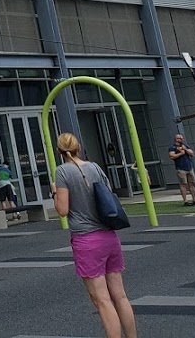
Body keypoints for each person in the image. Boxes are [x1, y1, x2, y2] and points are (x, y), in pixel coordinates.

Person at [52, 132, 137, 338]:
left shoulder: (62, 172)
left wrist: (55, 192)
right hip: (109, 236)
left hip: (86, 239)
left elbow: (62, 210)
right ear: (79, 147)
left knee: (102, 300)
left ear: (59, 151)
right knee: (120, 296)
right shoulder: (95, 167)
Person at [168, 134, 195, 206]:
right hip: (181, 168)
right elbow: (172, 156)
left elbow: (192, 154)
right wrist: (180, 153)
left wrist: (185, 149)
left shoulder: (185, 146)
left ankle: (194, 199)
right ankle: (185, 201)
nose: (182, 139)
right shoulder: (173, 147)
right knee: (183, 184)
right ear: (176, 139)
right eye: (180, 138)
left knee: (192, 183)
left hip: (189, 167)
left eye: (182, 138)